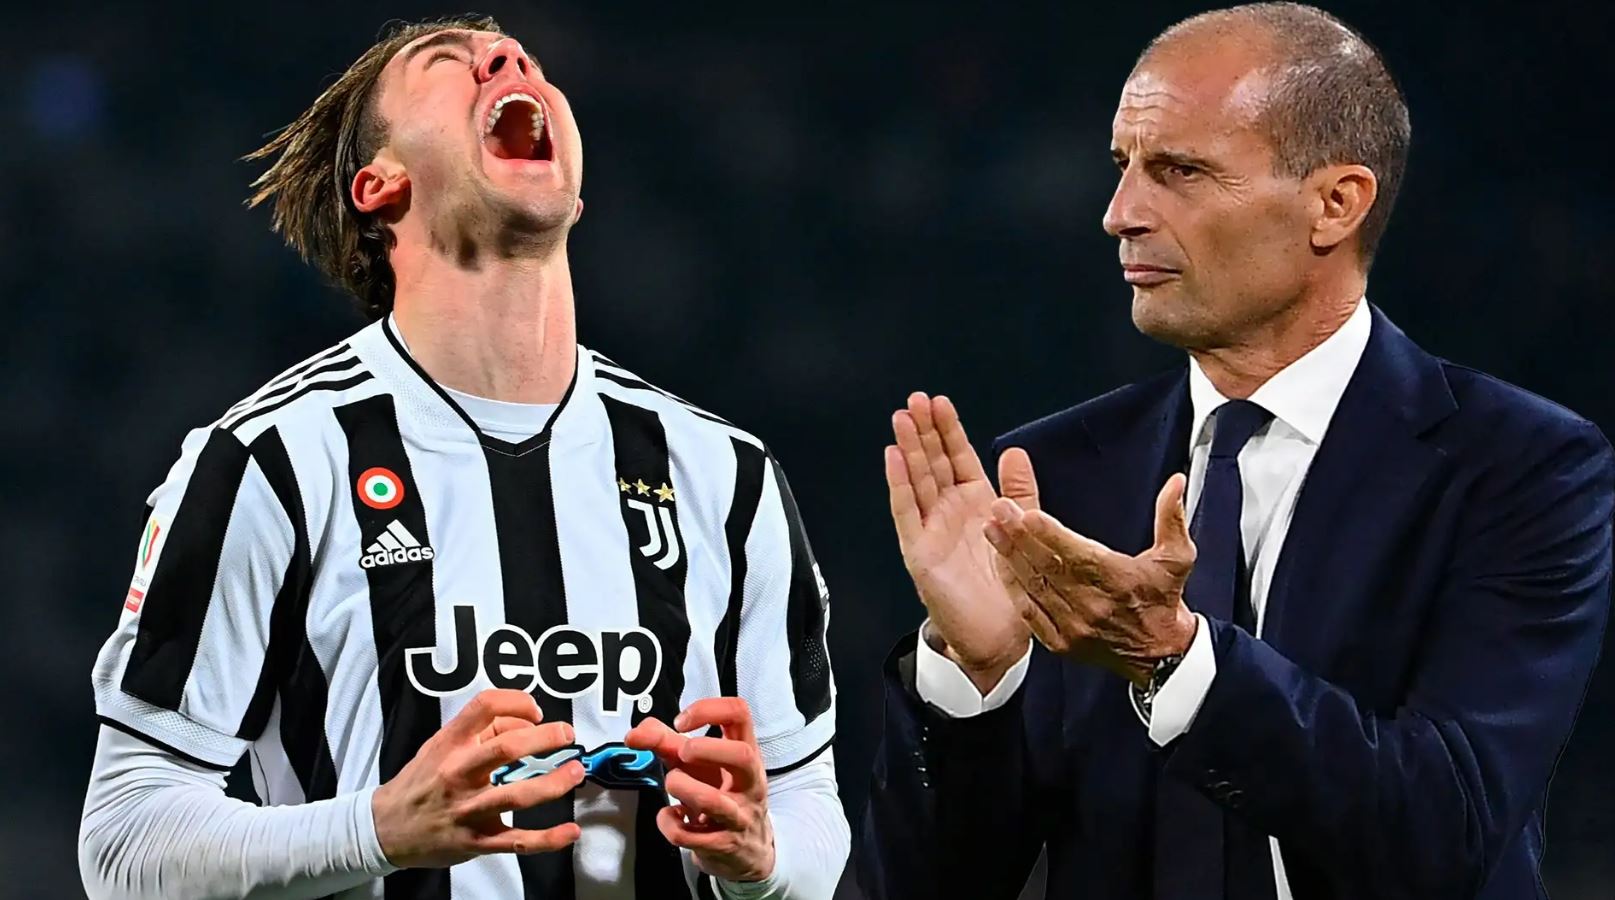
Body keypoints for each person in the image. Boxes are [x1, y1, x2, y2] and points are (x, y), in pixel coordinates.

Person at [78, 16, 846, 900]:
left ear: (575, 195)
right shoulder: (271, 462)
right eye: (447, 63)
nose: (507, 59)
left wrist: (761, 864)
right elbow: (124, 840)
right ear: (379, 184)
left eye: (523, 60)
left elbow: (810, 810)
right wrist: (377, 830)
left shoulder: (724, 474)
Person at [857, 4, 1611, 899]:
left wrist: (1176, 660)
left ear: (1335, 204)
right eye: (1122, 166)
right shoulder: (1051, 479)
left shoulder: (1520, 469)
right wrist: (972, 681)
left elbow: (1443, 831)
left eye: (1178, 171)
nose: (1119, 215)